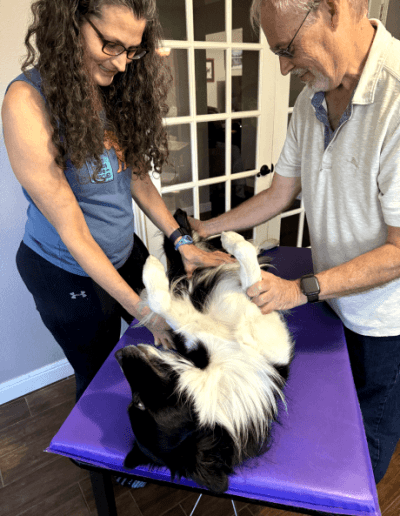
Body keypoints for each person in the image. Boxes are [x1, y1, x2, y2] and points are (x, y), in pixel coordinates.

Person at [190, 0, 400, 486]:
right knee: (330, 421)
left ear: (333, 9)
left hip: (382, 321)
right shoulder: (312, 99)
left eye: (287, 48)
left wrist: (300, 289)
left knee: (365, 447)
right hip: (332, 301)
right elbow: (280, 193)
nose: (283, 68)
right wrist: (206, 229)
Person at [1, 0, 233, 407]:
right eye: (111, 45)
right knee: (101, 375)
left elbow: (136, 176)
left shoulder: (110, 90)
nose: (123, 64)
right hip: (65, 271)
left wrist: (181, 240)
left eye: (133, 50)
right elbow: (73, 230)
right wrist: (143, 312)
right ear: (71, 24)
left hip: (123, 251)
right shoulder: (27, 102)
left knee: (173, 333)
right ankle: (104, 447)